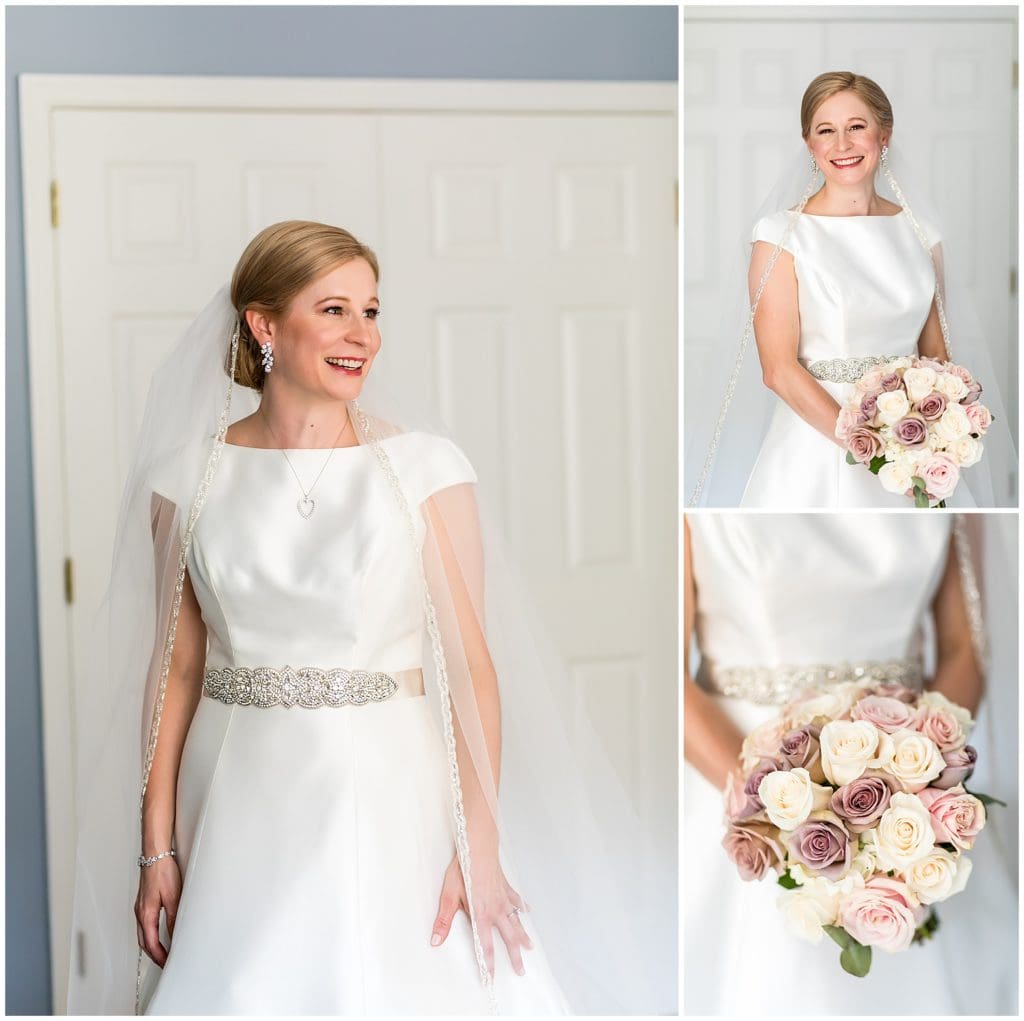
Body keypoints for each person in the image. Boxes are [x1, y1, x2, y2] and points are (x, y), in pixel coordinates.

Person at [68, 222, 667, 1015]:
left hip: (394, 789)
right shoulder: (186, 479)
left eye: (373, 312)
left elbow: (470, 667)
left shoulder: (427, 467)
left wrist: (477, 846)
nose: (364, 336)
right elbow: (176, 670)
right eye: (336, 310)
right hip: (240, 797)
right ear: (265, 324)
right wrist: (157, 846)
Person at [682, 513, 1018, 1014]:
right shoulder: (695, 492)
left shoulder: (941, 469)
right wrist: (778, 812)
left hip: (910, 785)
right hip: (737, 775)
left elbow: (965, 650)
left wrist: (913, 789)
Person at [687, 71, 1013, 508]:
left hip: (911, 446)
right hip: (815, 452)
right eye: (826, 131)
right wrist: (871, 447)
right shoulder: (781, 235)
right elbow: (778, 370)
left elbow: (937, 358)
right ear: (810, 145)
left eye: (856, 127)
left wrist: (923, 441)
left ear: (884, 135)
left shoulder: (921, 233)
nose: (842, 145)